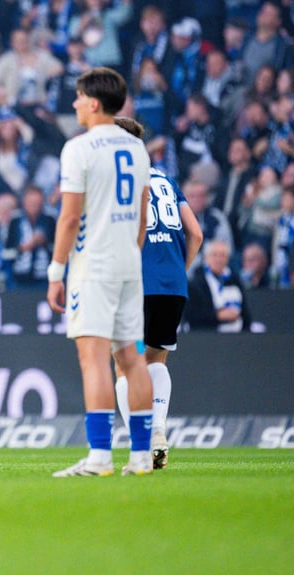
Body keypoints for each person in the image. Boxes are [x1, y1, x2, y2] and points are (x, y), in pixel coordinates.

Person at [46, 67, 154, 477]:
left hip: (94, 265)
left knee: (93, 359)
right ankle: (142, 457)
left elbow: (69, 217)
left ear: (93, 103)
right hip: (129, 262)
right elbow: (142, 216)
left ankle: (100, 457)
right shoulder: (137, 147)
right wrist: (130, 251)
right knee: (132, 358)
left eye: (77, 97)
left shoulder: (79, 148)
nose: (74, 104)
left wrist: (56, 271)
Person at [112, 116, 203, 471]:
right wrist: (178, 271)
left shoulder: (120, 180)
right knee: (156, 360)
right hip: (172, 286)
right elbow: (195, 233)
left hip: (136, 282)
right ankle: (159, 432)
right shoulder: (166, 180)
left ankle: (141, 443)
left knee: (124, 364)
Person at [186, 239, 252, 332]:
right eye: (214, 255)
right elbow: (192, 316)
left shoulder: (235, 280)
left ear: (228, 258)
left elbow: (245, 313)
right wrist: (217, 316)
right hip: (207, 337)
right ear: (206, 257)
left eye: (222, 255)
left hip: (236, 335)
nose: (218, 259)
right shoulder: (195, 283)